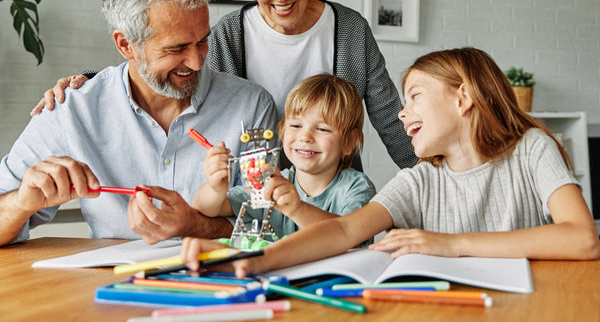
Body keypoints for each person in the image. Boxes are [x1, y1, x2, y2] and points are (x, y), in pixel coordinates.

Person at [31, 0, 417, 173]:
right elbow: (170, 63)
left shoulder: (349, 30)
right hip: (257, 193)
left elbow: (388, 117)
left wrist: (434, 179)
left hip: (334, 187)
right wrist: (89, 80)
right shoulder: (231, 31)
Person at [181, 47, 600, 275]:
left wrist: (451, 245)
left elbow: (582, 238)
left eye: (414, 95)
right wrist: (252, 259)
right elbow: (343, 230)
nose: (401, 113)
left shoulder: (531, 149)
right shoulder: (419, 180)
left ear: (463, 99)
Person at [0, 0, 279, 246]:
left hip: (220, 283)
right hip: (106, 288)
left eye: (202, 41)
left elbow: (269, 229)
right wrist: (21, 202)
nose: (197, 62)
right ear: (126, 45)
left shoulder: (251, 107)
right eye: (176, 49)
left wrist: (194, 226)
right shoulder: (72, 110)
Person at [193, 74, 376, 240]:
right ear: (281, 131)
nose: (305, 137)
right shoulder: (274, 184)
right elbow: (205, 209)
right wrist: (215, 188)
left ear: (349, 142)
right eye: (296, 126)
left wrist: (297, 209)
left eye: (322, 129)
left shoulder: (357, 188)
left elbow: (348, 235)